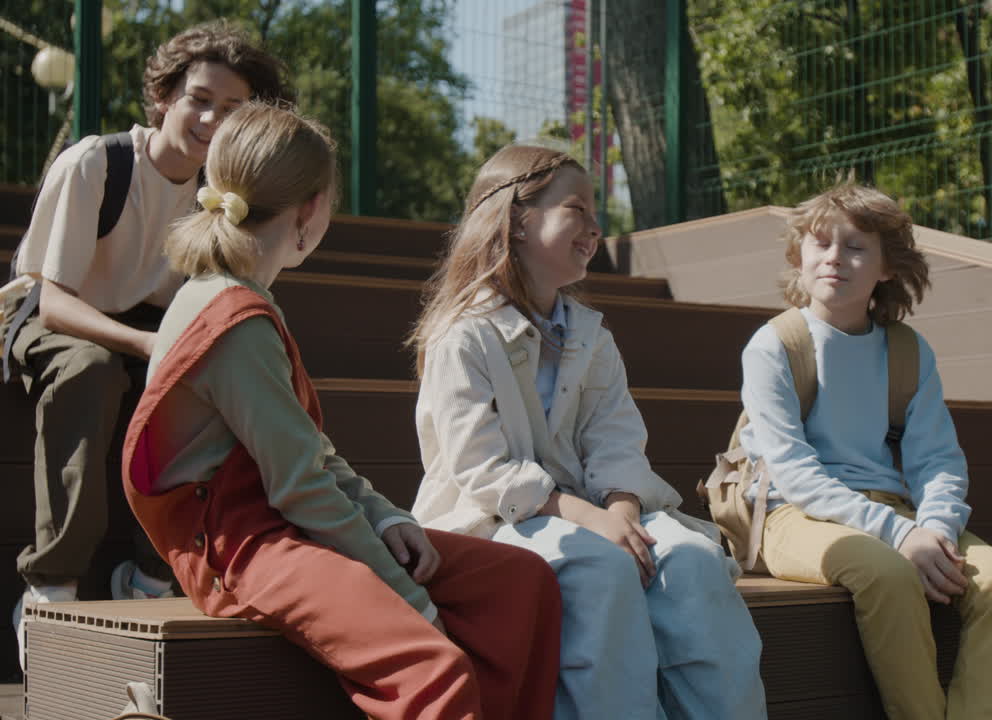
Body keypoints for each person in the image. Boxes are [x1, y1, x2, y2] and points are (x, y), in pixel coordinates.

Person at [122, 103, 561, 720]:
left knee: (520, 584)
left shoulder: (243, 297)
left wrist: (384, 518)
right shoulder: (232, 319)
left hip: (284, 526)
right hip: (242, 551)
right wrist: (413, 600)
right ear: (309, 209)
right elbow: (301, 487)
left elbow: (309, 455)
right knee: (434, 669)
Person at [409, 144, 768, 720]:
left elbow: (616, 441)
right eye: (578, 208)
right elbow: (482, 470)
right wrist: (591, 520)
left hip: (591, 511)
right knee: (599, 567)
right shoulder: (464, 336)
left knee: (690, 560)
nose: (596, 229)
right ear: (519, 221)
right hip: (492, 522)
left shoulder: (591, 336)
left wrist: (623, 509)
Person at [3, 21, 292, 658]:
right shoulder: (96, 163)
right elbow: (52, 298)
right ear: (164, 96)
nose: (211, 119)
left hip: (146, 334)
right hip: (55, 321)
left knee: (211, 382)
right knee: (93, 369)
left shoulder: (223, 199)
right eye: (199, 98)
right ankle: (50, 587)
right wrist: (143, 347)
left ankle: (155, 576)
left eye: (232, 110)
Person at [737, 182, 992, 719]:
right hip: (788, 514)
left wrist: (935, 529)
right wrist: (901, 537)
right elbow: (796, 474)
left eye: (855, 247)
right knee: (887, 573)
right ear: (798, 253)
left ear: (887, 267)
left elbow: (937, 459)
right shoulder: (775, 345)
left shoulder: (907, 351)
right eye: (820, 243)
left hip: (893, 511)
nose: (834, 259)